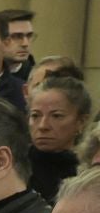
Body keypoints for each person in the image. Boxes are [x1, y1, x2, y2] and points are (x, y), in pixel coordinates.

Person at [27, 75, 91, 203]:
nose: (43, 126)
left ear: (81, 122)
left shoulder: (88, 174)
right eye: (35, 115)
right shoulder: (11, 167)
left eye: (56, 116)